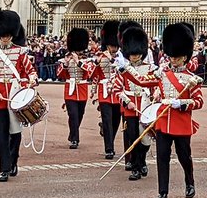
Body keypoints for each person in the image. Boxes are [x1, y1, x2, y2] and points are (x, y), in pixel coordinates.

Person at [116, 23, 204, 198]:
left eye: (177, 57)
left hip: (181, 123)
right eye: (171, 56)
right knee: (162, 158)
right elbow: (141, 81)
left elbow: (199, 102)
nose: (173, 60)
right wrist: (126, 70)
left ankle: (190, 181)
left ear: (184, 57)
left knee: (184, 157)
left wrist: (182, 103)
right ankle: (162, 192)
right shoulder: (162, 74)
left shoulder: (192, 78)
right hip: (163, 121)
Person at [0, 9, 38, 182]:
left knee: (15, 134)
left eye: (7, 35)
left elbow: (31, 72)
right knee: (2, 133)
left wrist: (31, 82)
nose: (5, 38)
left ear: (12, 35)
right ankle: (4, 168)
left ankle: (13, 160)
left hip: (16, 96)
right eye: (2, 35)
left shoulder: (21, 53)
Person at [112, 24, 155, 181]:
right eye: (132, 54)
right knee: (133, 137)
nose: (135, 57)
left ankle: (142, 161)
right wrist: (127, 102)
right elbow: (117, 89)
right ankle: (136, 167)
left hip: (145, 105)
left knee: (145, 138)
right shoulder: (123, 70)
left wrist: (153, 96)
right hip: (130, 106)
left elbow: (156, 86)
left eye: (137, 54)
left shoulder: (150, 68)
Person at [57, 27, 94, 150]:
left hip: (82, 90)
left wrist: (79, 62)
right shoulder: (66, 58)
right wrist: (67, 64)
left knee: (80, 114)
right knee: (72, 114)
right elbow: (60, 74)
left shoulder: (86, 59)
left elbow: (90, 72)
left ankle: (72, 133)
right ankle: (75, 139)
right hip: (70, 90)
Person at [91, 20, 122, 159]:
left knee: (116, 121)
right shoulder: (101, 57)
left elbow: (124, 70)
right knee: (107, 119)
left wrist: (112, 59)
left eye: (115, 46)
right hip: (104, 92)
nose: (113, 48)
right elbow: (93, 75)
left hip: (118, 92)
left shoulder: (122, 57)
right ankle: (109, 148)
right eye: (111, 46)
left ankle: (110, 137)